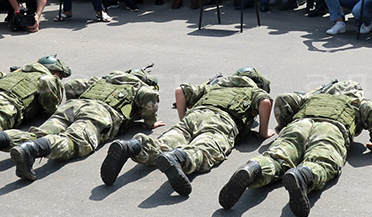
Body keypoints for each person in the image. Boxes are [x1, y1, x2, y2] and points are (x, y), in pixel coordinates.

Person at [218, 79, 372, 217]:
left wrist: (284, 127)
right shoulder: (356, 102)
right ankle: (304, 175)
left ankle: (253, 168)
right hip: (331, 128)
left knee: (276, 158)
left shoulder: (312, 98)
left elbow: (285, 99)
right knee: (323, 162)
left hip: (299, 124)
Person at [101, 67, 273, 194]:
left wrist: (184, 121)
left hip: (194, 116)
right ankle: (179, 158)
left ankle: (133, 146)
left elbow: (180, 91)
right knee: (205, 149)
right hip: (221, 121)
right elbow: (265, 103)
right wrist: (263, 132)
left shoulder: (215, 86)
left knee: (162, 143)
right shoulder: (252, 90)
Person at [0, 68, 162, 181]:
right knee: (73, 143)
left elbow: (72, 85)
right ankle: (31, 150)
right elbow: (149, 95)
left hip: (72, 106)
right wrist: (149, 122)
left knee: (37, 133)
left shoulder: (102, 81)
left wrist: (74, 109)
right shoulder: (139, 87)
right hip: (99, 112)